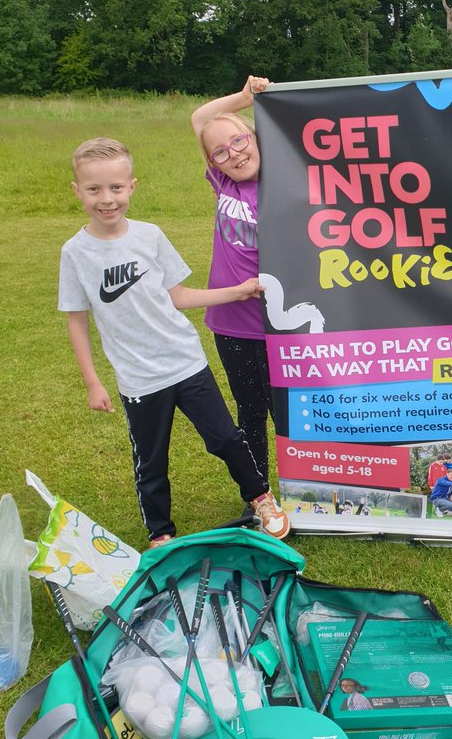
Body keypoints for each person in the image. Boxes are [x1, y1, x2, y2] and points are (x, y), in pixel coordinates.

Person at [58, 137, 290, 549]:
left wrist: (235, 291)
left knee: (226, 439)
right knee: (151, 461)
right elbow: (77, 320)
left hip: (186, 362)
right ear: (78, 191)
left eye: (115, 187)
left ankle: (260, 498)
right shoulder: (75, 253)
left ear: (132, 186)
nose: (106, 199)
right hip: (139, 379)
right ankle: (160, 533)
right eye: (94, 189)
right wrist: (92, 381)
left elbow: (178, 296)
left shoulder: (150, 235)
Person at [190, 76, 277, 522]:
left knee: (287, 410)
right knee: (250, 410)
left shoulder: (285, 180)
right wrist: (243, 98)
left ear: (256, 138)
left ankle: (305, 487)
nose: (234, 154)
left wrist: (252, 106)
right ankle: (259, 496)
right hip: (232, 323)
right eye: (220, 152)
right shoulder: (225, 186)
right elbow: (200, 119)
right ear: (213, 163)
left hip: (283, 324)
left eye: (239, 141)